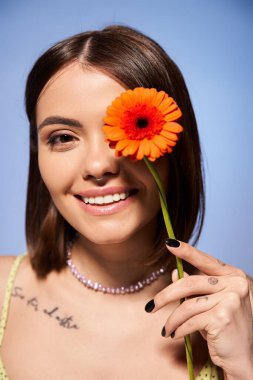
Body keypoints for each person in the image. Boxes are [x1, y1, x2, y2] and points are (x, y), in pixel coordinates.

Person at [0, 24, 252, 380]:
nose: (99, 166)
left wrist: (245, 367)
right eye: (63, 137)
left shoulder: (241, 311)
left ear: (174, 147)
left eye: (123, 130)